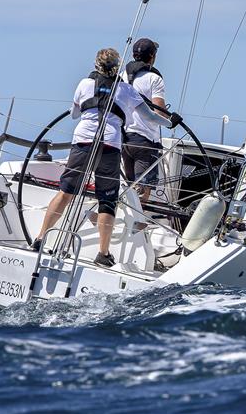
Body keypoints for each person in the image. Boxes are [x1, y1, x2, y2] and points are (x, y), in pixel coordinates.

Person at [32, 48, 171, 268]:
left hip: (83, 141)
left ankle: (39, 239)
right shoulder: (126, 90)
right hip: (109, 145)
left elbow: (74, 114)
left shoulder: (84, 85)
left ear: (96, 65)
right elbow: (151, 117)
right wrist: (170, 122)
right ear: (118, 66)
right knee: (107, 200)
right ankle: (103, 253)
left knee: (66, 191)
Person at [121, 38, 168, 202]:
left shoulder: (123, 76)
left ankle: (129, 224)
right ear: (152, 56)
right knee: (142, 192)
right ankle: (137, 226)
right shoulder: (154, 79)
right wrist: (170, 118)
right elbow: (159, 112)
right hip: (144, 141)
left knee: (130, 189)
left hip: (125, 139)